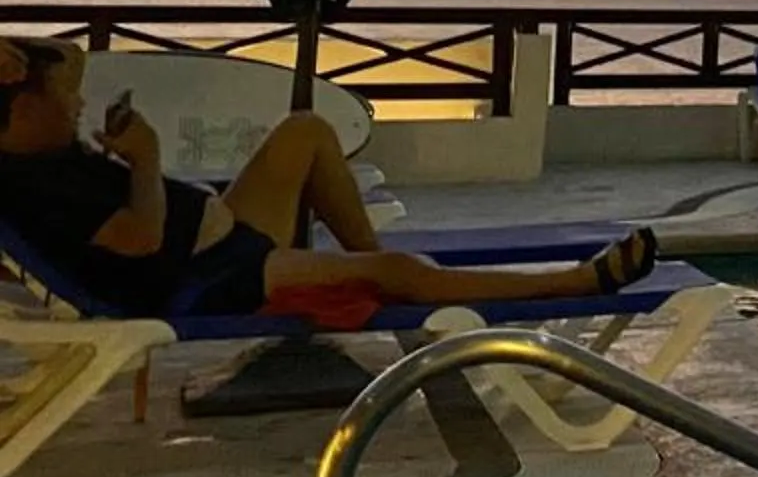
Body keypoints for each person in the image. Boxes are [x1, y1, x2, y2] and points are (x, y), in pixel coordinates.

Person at [0, 36, 656, 320]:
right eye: (63, 98)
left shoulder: (41, 148)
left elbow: (68, 57)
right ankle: (569, 281)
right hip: (200, 279)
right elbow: (142, 240)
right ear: (21, 109)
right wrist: (144, 158)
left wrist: (26, 62)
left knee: (306, 131)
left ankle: (390, 280)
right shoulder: (33, 187)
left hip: (218, 238)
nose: (79, 102)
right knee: (393, 270)